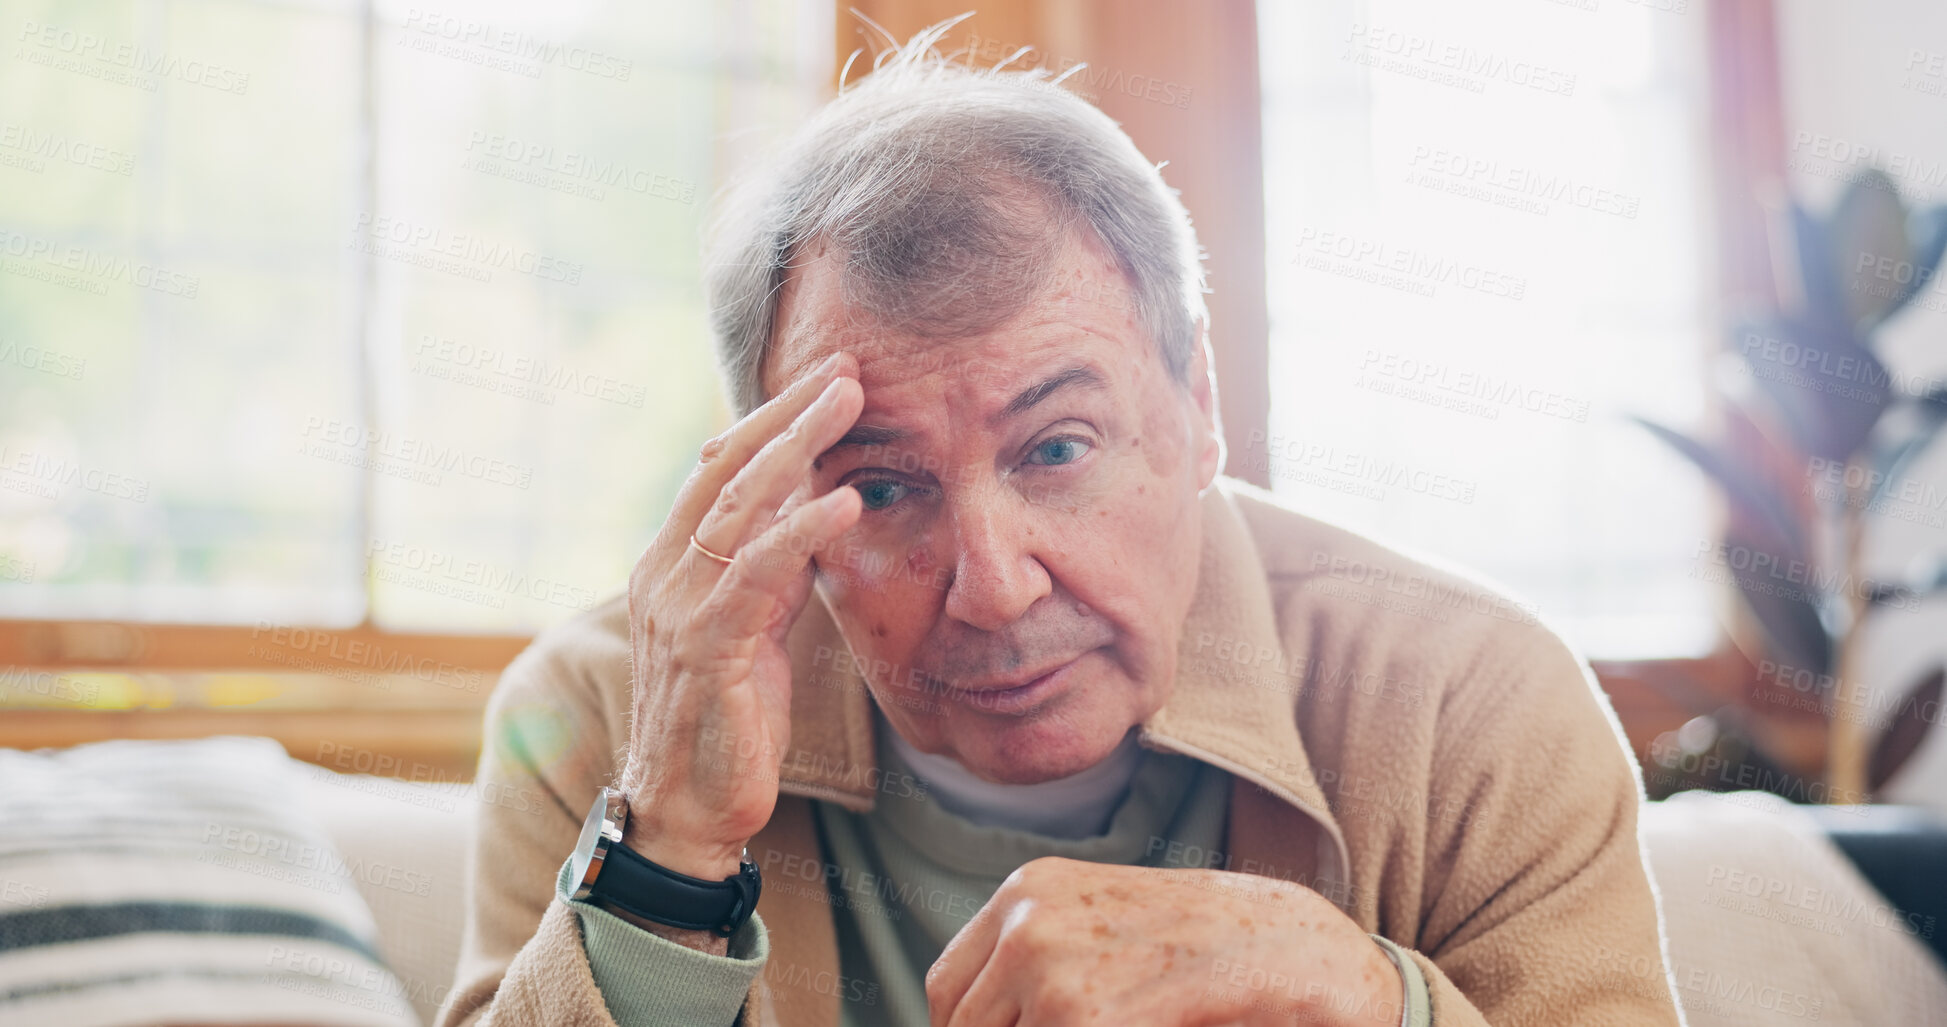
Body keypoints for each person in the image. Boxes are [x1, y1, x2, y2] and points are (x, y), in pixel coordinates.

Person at [437, 31, 1682, 1027]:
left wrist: (1361, 992)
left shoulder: (1471, 704)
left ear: (1197, 408)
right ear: (771, 487)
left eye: (1058, 448)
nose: (994, 585)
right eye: (880, 486)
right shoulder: (605, 720)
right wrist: (667, 852)